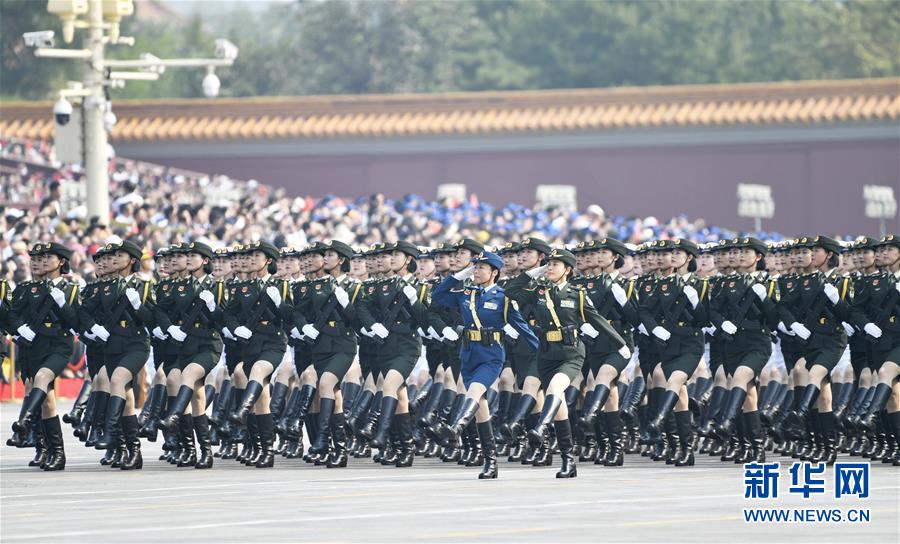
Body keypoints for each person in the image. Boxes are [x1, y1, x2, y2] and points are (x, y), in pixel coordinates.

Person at [505, 248, 628, 478]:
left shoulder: (576, 294)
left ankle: (541, 426)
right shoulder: (539, 290)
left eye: (555, 264)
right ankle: (568, 460)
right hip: (545, 353)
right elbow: (511, 292)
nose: (550, 267)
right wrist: (534, 272)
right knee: (558, 405)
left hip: (570, 353)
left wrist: (621, 344)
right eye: (548, 264)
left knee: (554, 389)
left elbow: (597, 319)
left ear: (568, 269)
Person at [430, 251, 538, 478]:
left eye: (481, 268)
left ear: (494, 273)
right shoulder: (467, 293)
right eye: (475, 267)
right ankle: (491, 462)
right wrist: (461, 275)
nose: (477, 271)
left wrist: (542, 352)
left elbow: (522, 327)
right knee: (481, 410)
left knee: (475, 391)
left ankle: (456, 427)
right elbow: (438, 295)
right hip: (468, 354)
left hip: (491, 356)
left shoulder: (503, 297)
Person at [79, 240, 156, 470]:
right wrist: (94, 328)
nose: (113, 259)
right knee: (126, 399)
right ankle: (132, 450)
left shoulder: (144, 285)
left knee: (117, 380)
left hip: (136, 344)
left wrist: (138, 305)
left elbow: (153, 320)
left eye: (119, 255)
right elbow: (84, 312)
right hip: (111, 345)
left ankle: (109, 431)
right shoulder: (105, 286)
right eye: (112, 256)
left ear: (132, 260)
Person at [7, 242, 80, 471]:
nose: (40, 262)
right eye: (37, 259)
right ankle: (47, 449)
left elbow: (76, 323)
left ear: (61, 262)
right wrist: (20, 328)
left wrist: (62, 303)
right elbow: (11, 315)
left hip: (58, 345)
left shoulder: (70, 290)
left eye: (47, 258)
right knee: (44, 399)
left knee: (42, 379)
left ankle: (26, 422)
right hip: (32, 346)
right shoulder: (25, 288)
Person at [155, 242, 226, 469]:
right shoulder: (180, 285)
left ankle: (174, 417)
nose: (187, 258)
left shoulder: (216, 285)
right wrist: (168, 327)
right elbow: (160, 309)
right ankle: (192, 449)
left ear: (205, 261)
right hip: (186, 346)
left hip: (208, 345)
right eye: (187, 255)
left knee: (187, 376)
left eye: (193, 255)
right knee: (192, 394)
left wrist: (213, 306)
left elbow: (224, 319)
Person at [225, 241, 293, 468]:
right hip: (250, 344)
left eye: (257, 256)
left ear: (268, 261)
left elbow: (291, 316)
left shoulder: (281, 285)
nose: (251, 259)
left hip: (273, 342)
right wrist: (236, 328)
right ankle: (263, 450)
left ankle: (242, 408)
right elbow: (229, 314)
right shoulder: (243, 287)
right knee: (262, 401)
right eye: (250, 256)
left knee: (258, 371)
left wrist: (279, 302)